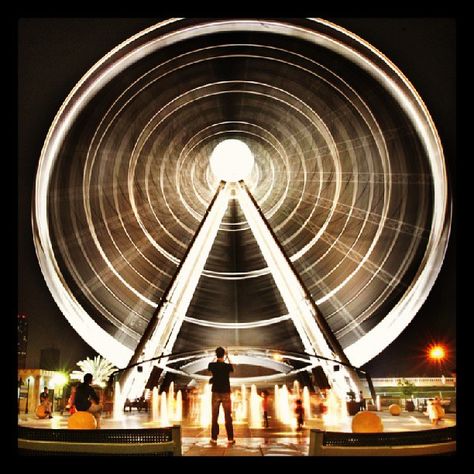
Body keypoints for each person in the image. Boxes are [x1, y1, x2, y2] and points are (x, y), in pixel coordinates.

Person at [207, 347, 235, 445]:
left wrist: (215, 358)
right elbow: (232, 367)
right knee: (228, 416)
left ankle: (214, 438)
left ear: (216, 354)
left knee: (214, 416)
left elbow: (209, 366)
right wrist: (228, 356)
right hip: (226, 393)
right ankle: (230, 438)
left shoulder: (212, 365)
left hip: (215, 393)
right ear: (224, 355)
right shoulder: (227, 366)